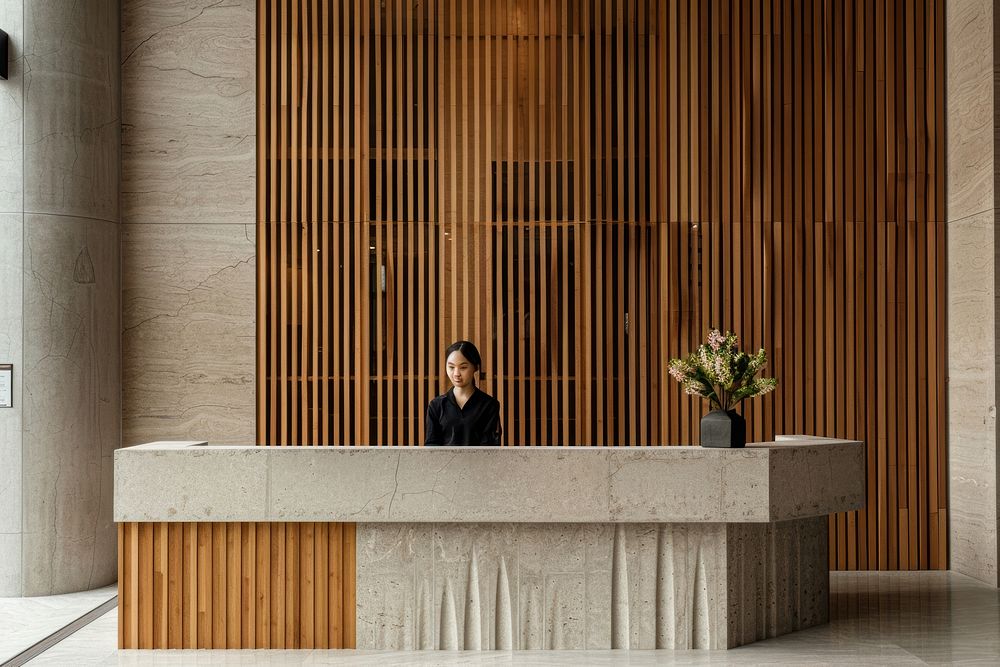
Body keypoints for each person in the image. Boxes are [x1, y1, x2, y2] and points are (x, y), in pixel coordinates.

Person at [425, 340, 503, 445]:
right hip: (444, 461)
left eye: (463, 367)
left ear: (476, 368)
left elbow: (490, 448)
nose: (456, 373)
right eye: (451, 367)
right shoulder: (436, 405)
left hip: (479, 461)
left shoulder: (489, 405)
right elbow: (431, 446)